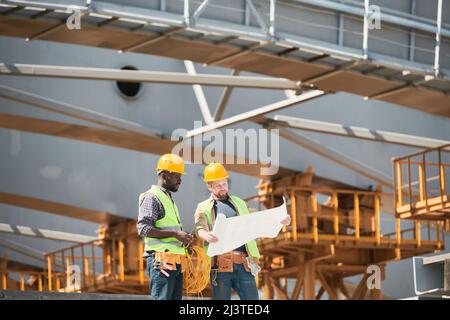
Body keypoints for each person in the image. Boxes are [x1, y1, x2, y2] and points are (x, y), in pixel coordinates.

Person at [194, 162, 290, 300]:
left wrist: (280, 220)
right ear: (209, 186)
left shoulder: (240, 203)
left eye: (224, 184)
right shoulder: (202, 207)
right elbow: (199, 227)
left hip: (244, 265)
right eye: (218, 186)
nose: (223, 188)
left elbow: (258, 219)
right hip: (220, 266)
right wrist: (206, 235)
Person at [137, 153, 193, 300]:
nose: (180, 181)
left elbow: (169, 230)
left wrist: (183, 241)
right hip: (161, 261)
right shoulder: (152, 197)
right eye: (177, 176)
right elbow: (143, 229)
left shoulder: (168, 198)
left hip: (175, 261)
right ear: (165, 175)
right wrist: (175, 234)